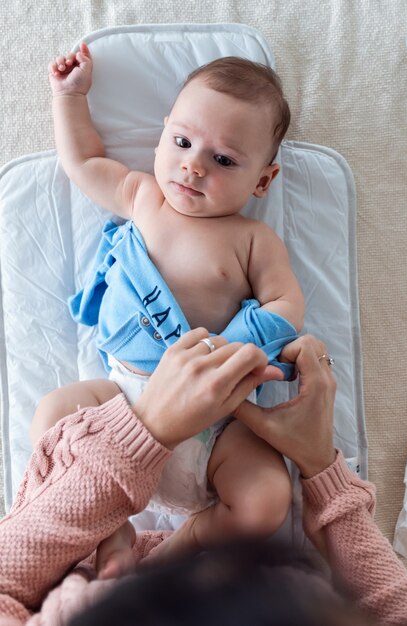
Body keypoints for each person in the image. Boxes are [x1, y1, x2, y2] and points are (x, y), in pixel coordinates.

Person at [31, 43, 304, 573]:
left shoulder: (252, 239)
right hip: (125, 401)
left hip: (212, 422)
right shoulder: (143, 198)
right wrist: (70, 97)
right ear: (162, 136)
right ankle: (113, 534)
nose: (193, 165)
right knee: (52, 417)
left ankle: (178, 551)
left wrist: (235, 344)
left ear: (263, 181)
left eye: (223, 159)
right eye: (181, 141)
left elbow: (286, 302)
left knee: (268, 496)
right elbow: (83, 161)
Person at [1, 332, 407, 626]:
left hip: (71, 554)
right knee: (265, 501)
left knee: (57, 416)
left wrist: (143, 433)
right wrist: (321, 466)